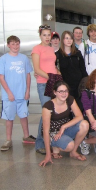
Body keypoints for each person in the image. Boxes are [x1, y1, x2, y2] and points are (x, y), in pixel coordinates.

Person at [0, 35, 35, 151]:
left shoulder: (24, 58)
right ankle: (8, 139)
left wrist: (27, 91)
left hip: (22, 95)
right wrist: (9, 93)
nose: (15, 46)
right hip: (9, 96)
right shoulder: (3, 59)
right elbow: (1, 78)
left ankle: (26, 136)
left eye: (17, 44)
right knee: (9, 118)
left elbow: (28, 75)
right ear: (8, 45)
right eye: (13, 44)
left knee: (24, 116)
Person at [39, 81, 89, 167]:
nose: (64, 94)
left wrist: (63, 126)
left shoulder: (70, 99)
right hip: (52, 133)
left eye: (66, 91)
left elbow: (79, 116)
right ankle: (55, 147)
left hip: (65, 129)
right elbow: (45, 132)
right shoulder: (48, 106)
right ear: (55, 92)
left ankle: (73, 152)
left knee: (84, 124)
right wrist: (48, 155)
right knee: (70, 145)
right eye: (60, 91)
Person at [32, 24, 59, 154]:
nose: (47, 37)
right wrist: (51, 77)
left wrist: (58, 75)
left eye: (49, 35)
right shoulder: (37, 49)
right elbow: (37, 69)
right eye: (45, 35)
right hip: (44, 83)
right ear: (40, 35)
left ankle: (51, 141)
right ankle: (39, 143)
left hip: (54, 83)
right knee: (46, 113)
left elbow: (52, 65)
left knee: (52, 113)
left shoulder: (50, 49)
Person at [56, 31, 88, 100]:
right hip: (65, 87)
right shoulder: (58, 55)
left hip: (79, 86)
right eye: (66, 38)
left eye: (70, 38)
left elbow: (83, 69)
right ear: (62, 40)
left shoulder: (78, 53)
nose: (69, 40)